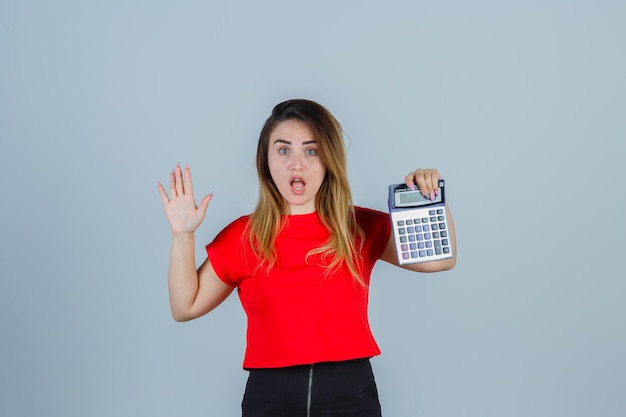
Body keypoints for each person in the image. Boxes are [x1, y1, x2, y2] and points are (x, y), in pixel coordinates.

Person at [158, 99, 457, 417]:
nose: (296, 165)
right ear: (266, 160)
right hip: (270, 395)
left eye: (311, 150)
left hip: (351, 392)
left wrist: (430, 200)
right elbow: (184, 307)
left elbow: (440, 260)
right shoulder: (242, 236)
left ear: (329, 159)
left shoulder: (356, 226)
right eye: (283, 150)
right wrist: (182, 235)